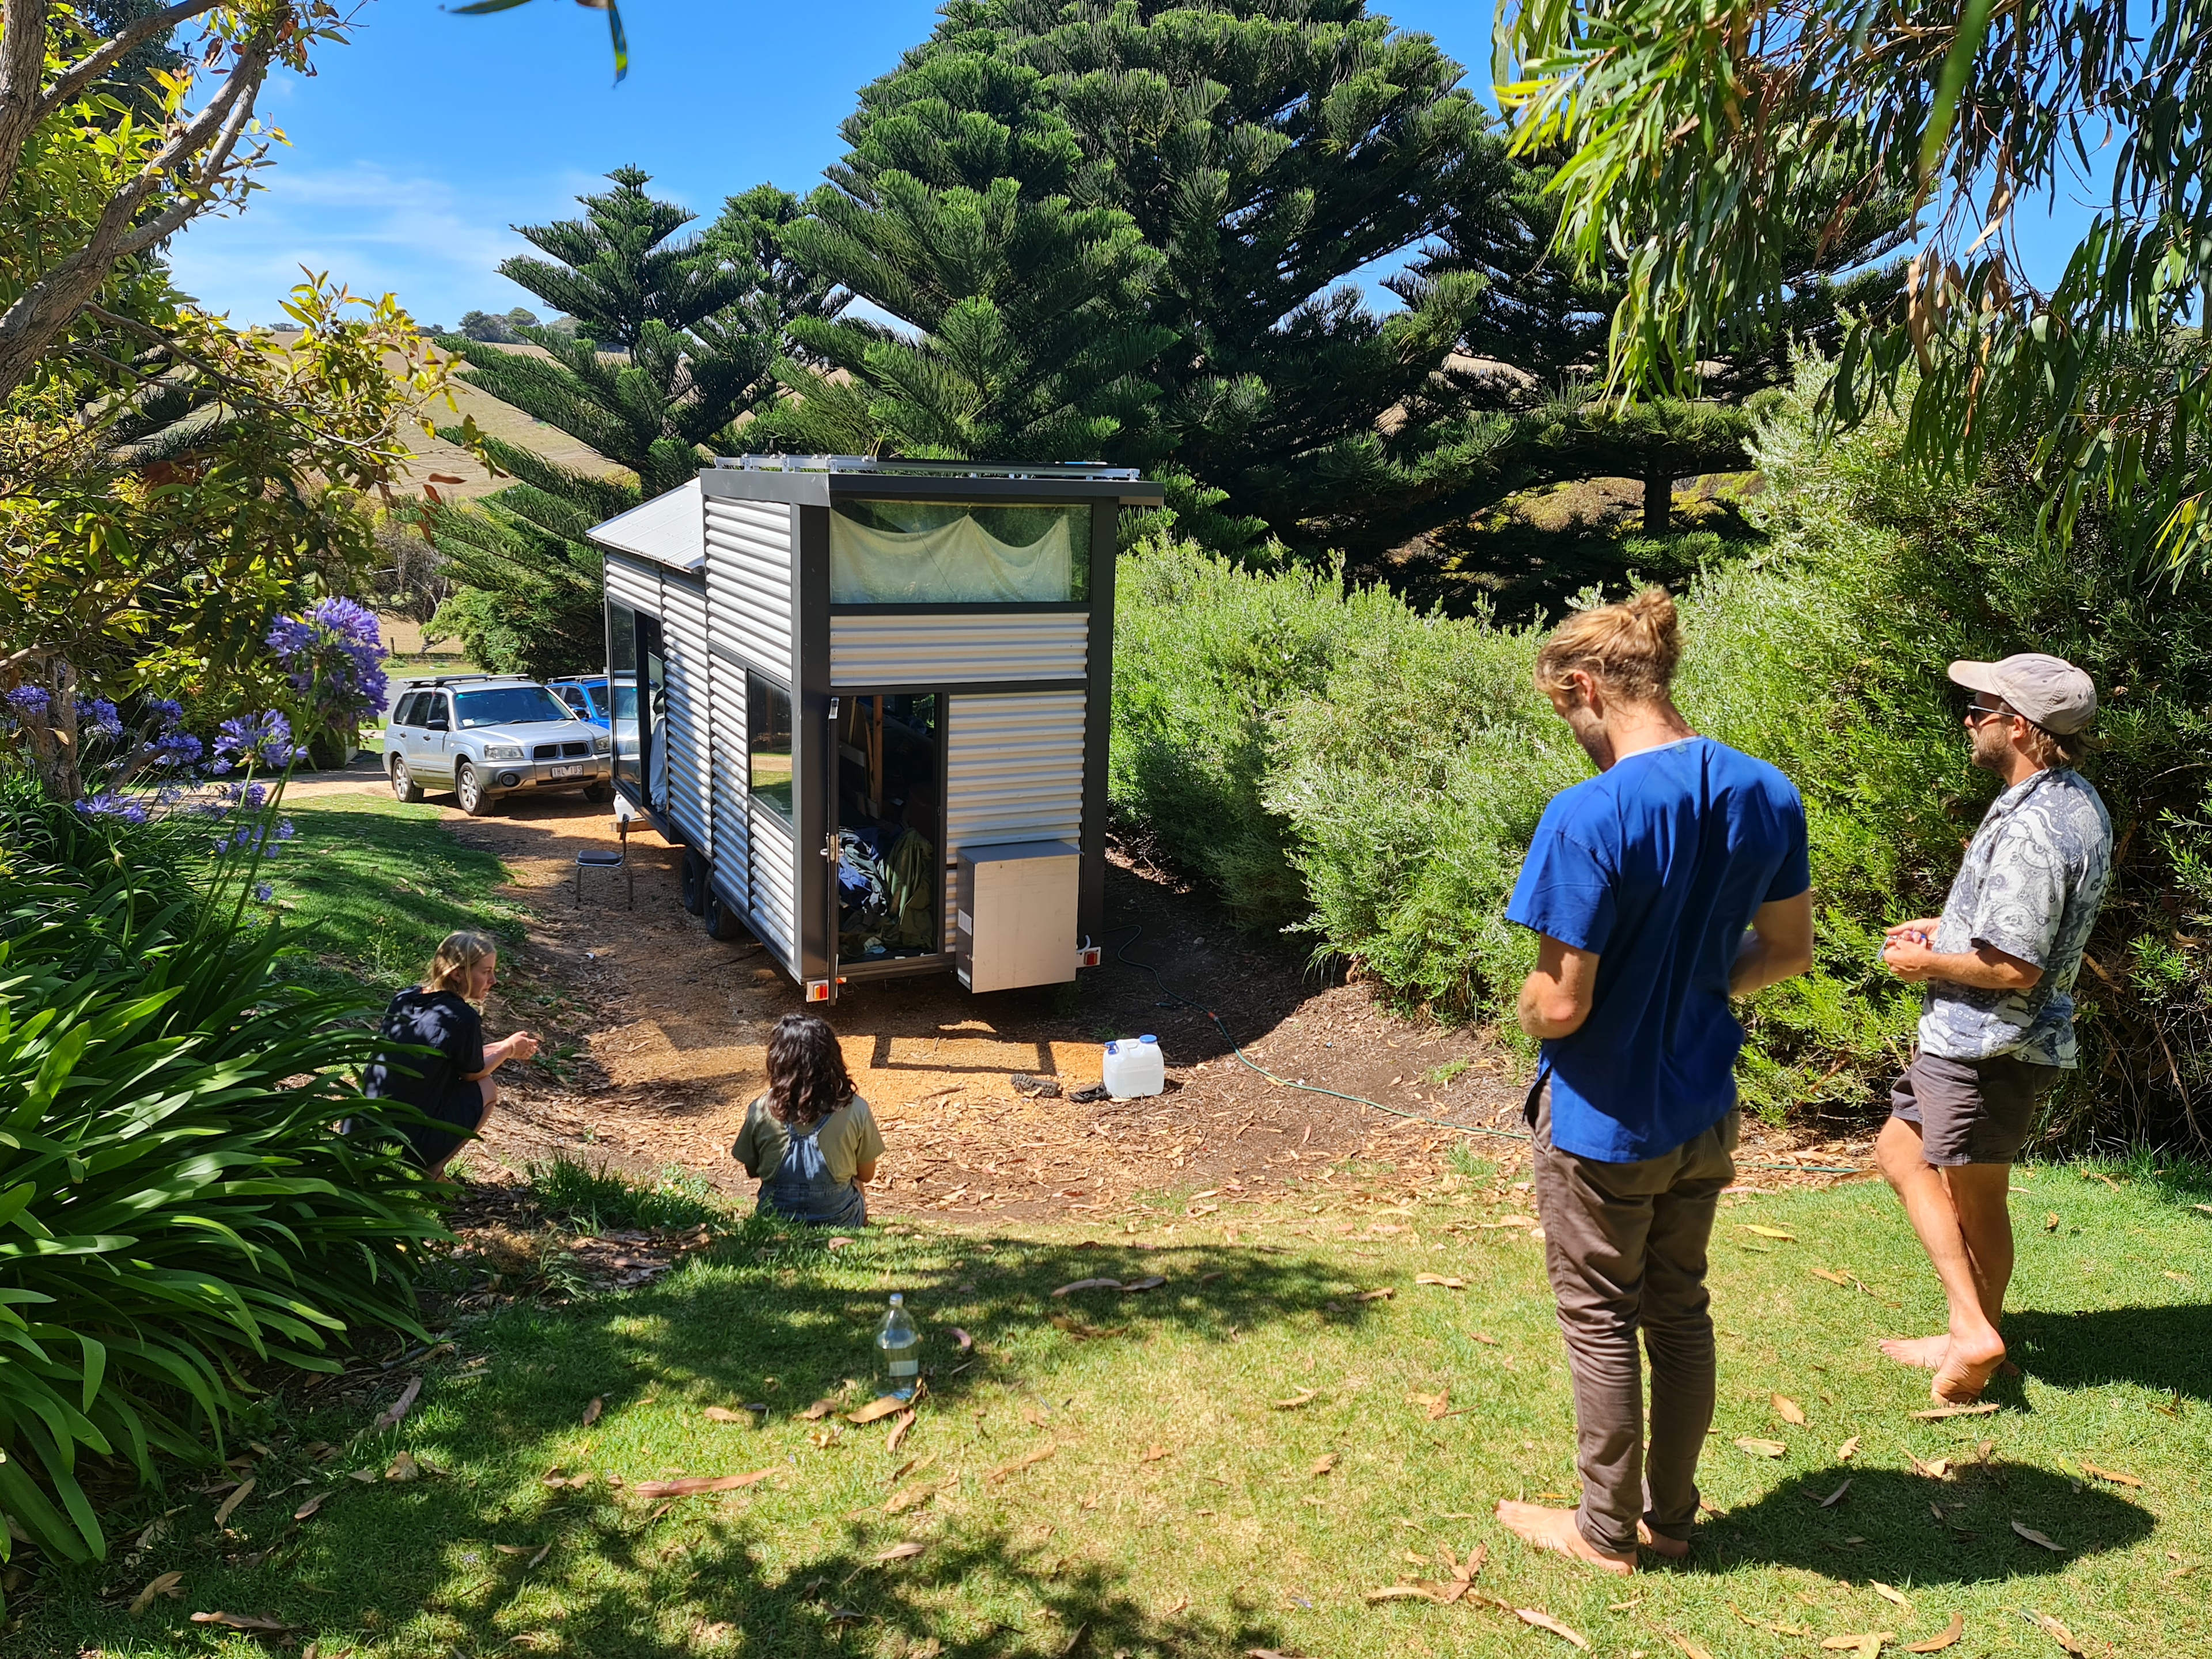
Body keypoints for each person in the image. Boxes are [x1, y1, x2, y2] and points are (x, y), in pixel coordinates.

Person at [1494, 588, 1815, 1574]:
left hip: (1605, 1122)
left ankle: (1602, 1532)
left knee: (1600, 1320)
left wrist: (1525, 1009)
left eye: (1567, 711)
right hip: (1703, 1109)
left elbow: (1560, 1005)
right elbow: (1787, 950)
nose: (1574, 734)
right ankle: (1669, 1520)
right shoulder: (1767, 791)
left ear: (1586, 686)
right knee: (1678, 1311)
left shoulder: (1587, 814)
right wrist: (1691, 987)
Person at [1874, 653, 2110, 1403]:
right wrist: (1949, 928)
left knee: (1976, 1201)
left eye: (1981, 708)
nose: (1968, 719)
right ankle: (1970, 1327)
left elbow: (2015, 968)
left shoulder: (2035, 825)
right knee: (1900, 1151)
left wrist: (1925, 964)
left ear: (2022, 727)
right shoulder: (2066, 799)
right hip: (1977, 1039)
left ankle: (1975, 1337)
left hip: (1989, 1043)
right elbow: (2022, 928)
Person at [363, 930, 539, 1179]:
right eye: (486, 972)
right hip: (405, 1141)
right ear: (457, 973)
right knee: (487, 1088)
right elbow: (472, 1073)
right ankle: (432, 1172)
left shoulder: (405, 998)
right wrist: (509, 1049)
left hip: (363, 1128)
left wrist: (504, 1045)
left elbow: (460, 1057)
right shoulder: (462, 1017)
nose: (493, 980)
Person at [732, 1013, 884, 1226]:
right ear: (832, 1058)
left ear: (778, 1060)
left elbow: (752, 1170)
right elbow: (866, 1175)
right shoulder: (856, 1108)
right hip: (840, 1219)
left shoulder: (760, 1109)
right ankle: (861, 1223)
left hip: (775, 1218)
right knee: (853, 1177)